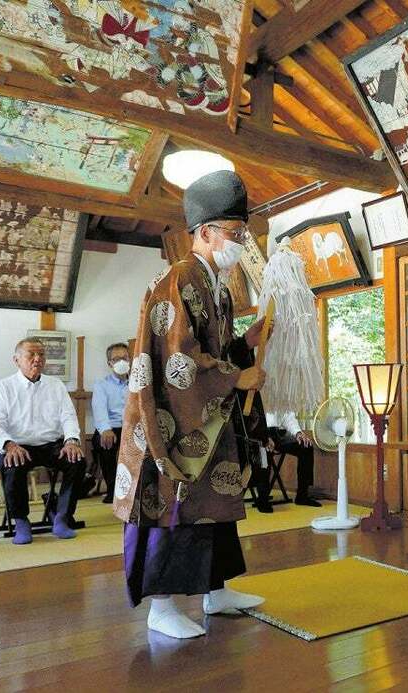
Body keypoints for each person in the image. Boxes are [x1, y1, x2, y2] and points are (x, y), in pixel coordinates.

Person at [114, 169, 268, 640]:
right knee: (171, 507)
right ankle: (161, 607)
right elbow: (177, 360)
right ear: (205, 232)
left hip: (208, 415)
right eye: (236, 234)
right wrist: (237, 375)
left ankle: (215, 593)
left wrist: (246, 344)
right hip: (170, 419)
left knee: (214, 502)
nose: (241, 243)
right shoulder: (180, 278)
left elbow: (212, 351)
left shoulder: (216, 285)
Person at [0, 338, 85, 545]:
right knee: (12, 464)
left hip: (51, 444)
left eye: (41, 355)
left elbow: (68, 416)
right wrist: (9, 445)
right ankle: (21, 521)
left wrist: (72, 441)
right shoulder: (3, 387)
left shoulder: (55, 385)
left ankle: (61, 517)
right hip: (17, 446)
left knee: (77, 461)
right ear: (16, 360)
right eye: (31, 354)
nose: (37, 359)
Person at [246, 407, 320, 513]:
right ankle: (262, 499)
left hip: (279, 434)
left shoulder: (280, 395)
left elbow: (288, 417)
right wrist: (264, 437)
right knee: (263, 452)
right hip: (259, 434)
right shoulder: (254, 393)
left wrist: (298, 433)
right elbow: (250, 421)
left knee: (306, 447)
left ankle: (302, 496)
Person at [90, 342, 130, 503]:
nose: (122, 362)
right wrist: (105, 429)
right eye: (117, 359)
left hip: (133, 427)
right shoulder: (102, 384)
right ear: (110, 363)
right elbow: (99, 410)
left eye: (125, 358)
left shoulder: (137, 382)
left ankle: (136, 490)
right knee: (104, 443)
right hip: (111, 427)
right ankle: (114, 491)